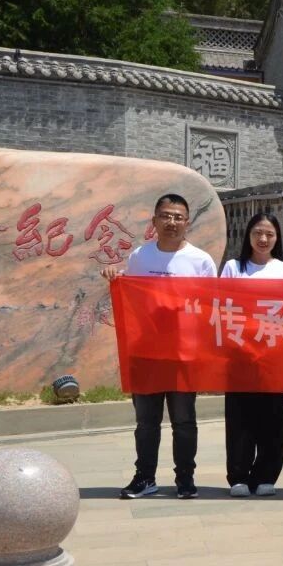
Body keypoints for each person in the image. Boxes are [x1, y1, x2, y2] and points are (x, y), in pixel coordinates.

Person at [104, 193, 217, 499]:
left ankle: (185, 479)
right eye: (165, 216)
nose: (171, 222)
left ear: (187, 223)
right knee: (146, 422)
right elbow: (133, 299)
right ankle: (145, 478)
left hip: (183, 354)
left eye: (178, 217)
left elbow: (210, 308)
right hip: (146, 352)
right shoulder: (140, 257)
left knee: (184, 421)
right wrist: (116, 278)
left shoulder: (200, 260)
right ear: (154, 221)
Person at [219, 212, 283, 497]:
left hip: (274, 355)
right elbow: (222, 307)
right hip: (240, 354)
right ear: (248, 236)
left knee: (272, 416)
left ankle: (266, 475)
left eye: (269, 234)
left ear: (277, 238)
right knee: (240, 416)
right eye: (257, 233)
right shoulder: (233, 267)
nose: (263, 239)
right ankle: (238, 476)